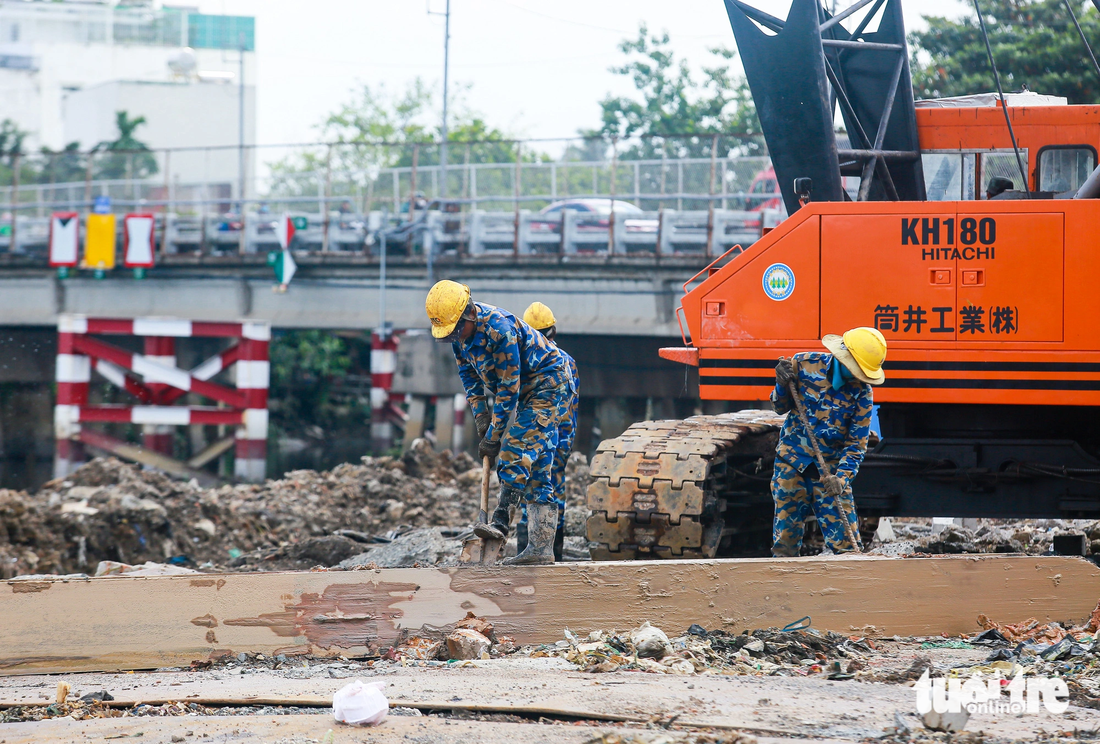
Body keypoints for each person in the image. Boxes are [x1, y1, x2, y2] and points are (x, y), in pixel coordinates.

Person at [425, 280, 574, 564]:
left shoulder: (499, 329)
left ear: (468, 314)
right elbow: (469, 378)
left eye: (456, 330)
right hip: (528, 390)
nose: (454, 337)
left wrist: (494, 437)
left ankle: (500, 523)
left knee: (514, 454)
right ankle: (541, 551)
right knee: (537, 468)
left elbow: (509, 389)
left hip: (549, 385)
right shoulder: (461, 338)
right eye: (449, 334)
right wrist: (481, 415)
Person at [770, 327, 886, 557]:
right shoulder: (803, 365)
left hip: (830, 471)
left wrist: (841, 479)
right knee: (785, 540)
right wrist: (781, 383)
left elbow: (856, 444)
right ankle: (783, 586)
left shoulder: (862, 393)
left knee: (847, 545)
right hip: (793, 462)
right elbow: (779, 407)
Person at [519, 301, 578, 562]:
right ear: (553, 331)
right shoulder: (568, 362)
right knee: (555, 491)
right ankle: (555, 557)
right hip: (562, 434)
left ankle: (529, 549)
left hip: (536, 436)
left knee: (529, 490)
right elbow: (571, 407)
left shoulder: (525, 362)